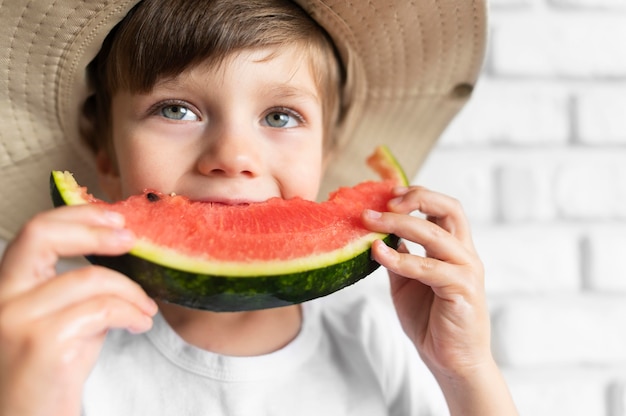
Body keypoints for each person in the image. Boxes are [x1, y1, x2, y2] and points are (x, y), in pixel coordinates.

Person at [0, 0, 518, 415]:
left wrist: (465, 371)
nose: (233, 158)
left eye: (279, 116)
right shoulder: (58, 344)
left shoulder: (371, 337)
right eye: (176, 109)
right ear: (104, 151)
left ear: (326, 152)